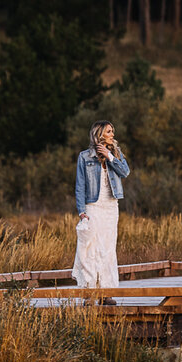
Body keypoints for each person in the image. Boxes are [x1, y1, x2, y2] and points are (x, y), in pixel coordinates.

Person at [73, 121, 130, 290]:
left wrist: (109, 155)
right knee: (90, 247)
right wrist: (81, 212)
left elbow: (125, 172)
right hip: (93, 206)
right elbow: (79, 186)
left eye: (113, 131)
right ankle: (89, 290)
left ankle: (108, 291)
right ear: (99, 134)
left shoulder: (117, 154)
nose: (113, 134)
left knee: (108, 249)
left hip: (111, 206)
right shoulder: (84, 156)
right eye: (109, 132)